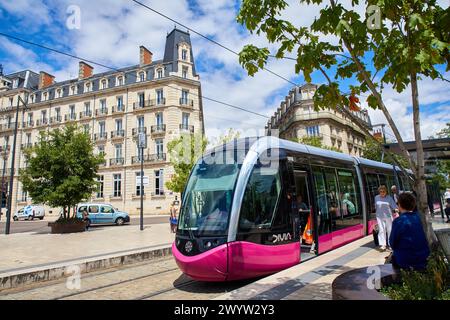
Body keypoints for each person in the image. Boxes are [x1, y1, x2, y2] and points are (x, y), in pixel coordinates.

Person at [389, 192, 430, 270]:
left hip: (406, 261)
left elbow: (392, 243)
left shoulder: (398, 221)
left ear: (400, 205)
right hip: (424, 258)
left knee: (392, 257)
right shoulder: (421, 218)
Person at [375, 185, 397, 251]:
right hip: (379, 216)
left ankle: (390, 244)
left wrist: (396, 210)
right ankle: (383, 245)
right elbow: (376, 206)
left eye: (383, 191)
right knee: (381, 230)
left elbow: (394, 206)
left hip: (388, 216)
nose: (382, 193)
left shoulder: (389, 198)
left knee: (389, 230)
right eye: (380, 191)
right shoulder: (376, 197)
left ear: (386, 192)